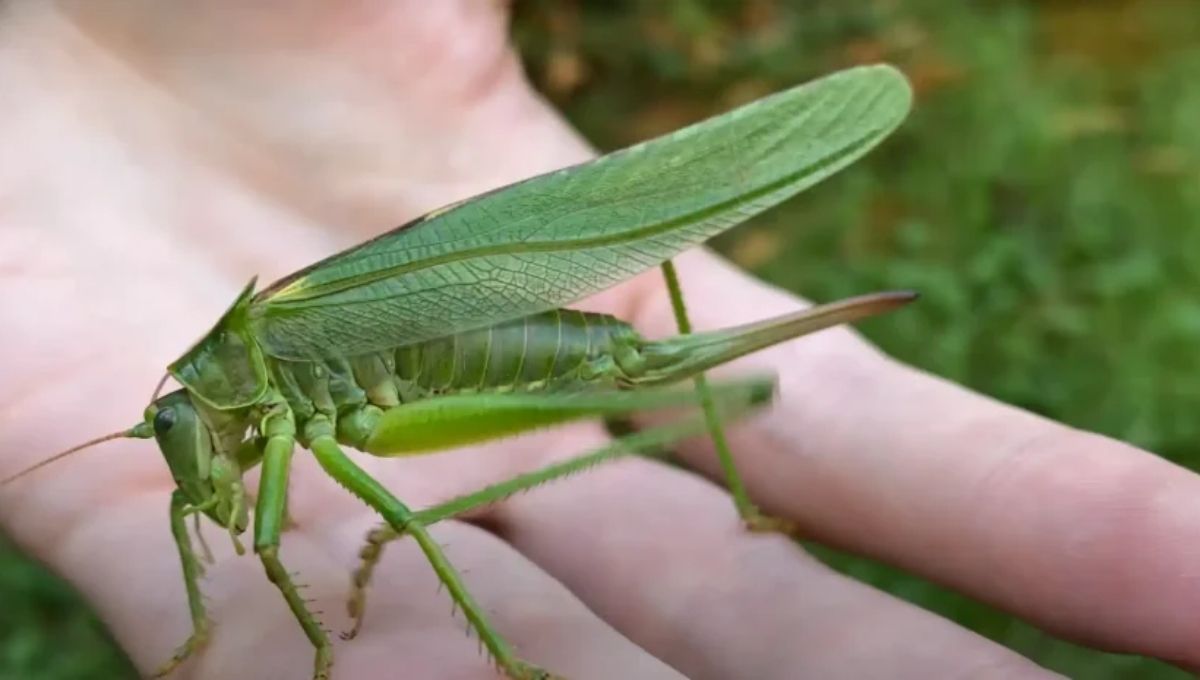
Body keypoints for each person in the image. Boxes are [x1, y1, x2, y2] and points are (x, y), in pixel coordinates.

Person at [1, 3, 1196, 679]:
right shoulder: (226, 391)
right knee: (619, 405)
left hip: (475, 350)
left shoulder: (271, 351)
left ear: (209, 394)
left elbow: (374, 516)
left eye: (185, 431)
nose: (192, 465)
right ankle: (702, 425)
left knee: (435, 496)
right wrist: (206, 624)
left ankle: (688, 436)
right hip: (414, 364)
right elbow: (208, 518)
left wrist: (324, 650)